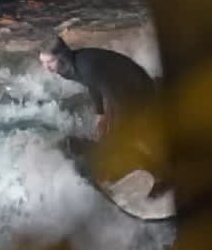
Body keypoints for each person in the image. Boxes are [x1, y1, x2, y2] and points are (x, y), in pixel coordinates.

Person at [40, 34, 170, 197]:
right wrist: (100, 113)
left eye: (50, 62)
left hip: (137, 87)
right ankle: (138, 171)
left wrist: (118, 124)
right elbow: (92, 85)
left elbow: (114, 94)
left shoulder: (85, 65)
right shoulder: (66, 68)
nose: (46, 68)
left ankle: (161, 176)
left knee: (118, 138)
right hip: (120, 87)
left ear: (62, 56)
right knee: (114, 138)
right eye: (43, 62)